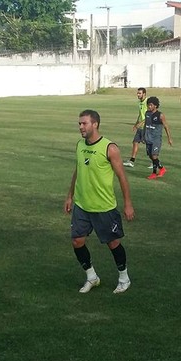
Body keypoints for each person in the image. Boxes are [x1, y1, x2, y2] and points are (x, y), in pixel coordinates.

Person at [65, 109, 135, 294]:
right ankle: (92, 277)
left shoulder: (109, 148)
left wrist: (128, 203)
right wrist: (70, 195)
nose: (80, 126)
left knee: (113, 243)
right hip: (82, 205)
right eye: (79, 123)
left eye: (84, 123)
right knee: (77, 241)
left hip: (104, 206)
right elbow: (78, 170)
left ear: (95, 124)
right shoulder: (80, 145)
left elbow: (122, 177)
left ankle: (124, 278)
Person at [144, 96, 173, 180]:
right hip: (148, 138)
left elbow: (166, 126)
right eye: (148, 105)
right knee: (150, 156)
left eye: (151, 105)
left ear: (155, 106)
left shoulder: (160, 115)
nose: (149, 107)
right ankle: (162, 168)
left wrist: (169, 138)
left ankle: (154, 173)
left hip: (156, 139)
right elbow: (146, 124)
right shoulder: (147, 113)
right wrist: (143, 135)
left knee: (154, 156)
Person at [123, 87, 147, 168]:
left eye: (139, 93)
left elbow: (149, 116)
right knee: (135, 142)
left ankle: (154, 161)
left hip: (146, 127)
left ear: (144, 94)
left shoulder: (147, 102)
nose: (138, 95)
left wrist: (141, 123)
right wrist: (135, 124)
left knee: (149, 145)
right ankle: (132, 161)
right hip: (140, 127)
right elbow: (140, 114)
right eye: (137, 93)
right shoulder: (139, 103)